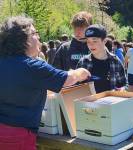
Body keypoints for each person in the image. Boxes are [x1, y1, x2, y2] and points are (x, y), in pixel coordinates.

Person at [0, 16, 91, 150]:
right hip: (19, 136)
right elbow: (68, 79)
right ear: (24, 39)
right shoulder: (33, 67)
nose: (38, 38)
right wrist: (81, 72)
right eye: (35, 33)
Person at [77, 24, 126, 93]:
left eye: (95, 41)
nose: (91, 45)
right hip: (89, 103)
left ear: (105, 41)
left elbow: (123, 84)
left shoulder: (115, 61)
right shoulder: (83, 62)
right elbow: (77, 88)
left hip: (111, 102)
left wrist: (122, 89)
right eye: (88, 41)